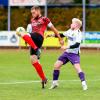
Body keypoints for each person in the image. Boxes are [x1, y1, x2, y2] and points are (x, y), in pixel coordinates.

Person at [16, 6, 64, 89]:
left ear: (38, 11)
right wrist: (26, 39)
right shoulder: (32, 20)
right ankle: (44, 79)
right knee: (33, 60)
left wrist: (60, 38)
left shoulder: (45, 19)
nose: (33, 14)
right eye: (32, 13)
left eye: (34, 12)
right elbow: (29, 33)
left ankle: (36, 49)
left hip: (39, 37)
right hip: (33, 39)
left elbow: (54, 29)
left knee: (22, 33)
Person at [47, 18, 88, 90]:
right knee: (56, 65)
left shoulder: (78, 33)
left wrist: (66, 46)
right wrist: (52, 35)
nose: (71, 24)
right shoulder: (70, 31)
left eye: (72, 23)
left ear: (76, 25)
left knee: (78, 69)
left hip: (74, 54)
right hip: (67, 53)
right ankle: (55, 83)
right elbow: (61, 35)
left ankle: (84, 84)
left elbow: (77, 45)